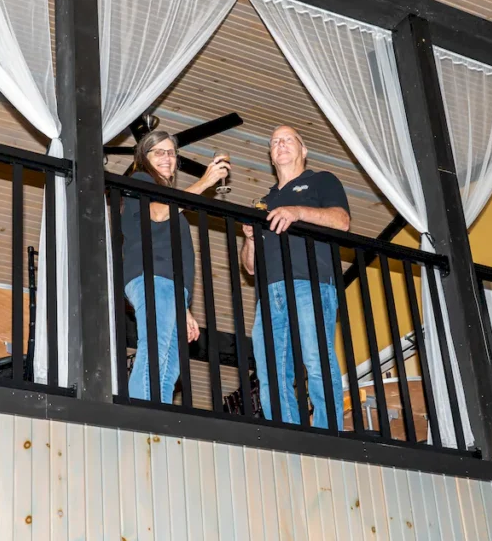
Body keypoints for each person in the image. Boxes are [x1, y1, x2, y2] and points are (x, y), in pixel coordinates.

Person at [241, 125, 349, 429]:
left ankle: (330, 433)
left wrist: (297, 212)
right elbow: (249, 268)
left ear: (303, 150)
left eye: (288, 139)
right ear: (271, 156)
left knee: (315, 361)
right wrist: (249, 239)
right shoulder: (263, 201)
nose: (281, 144)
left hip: (309, 284)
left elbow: (341, 221)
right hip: (270, 293)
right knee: (271, 371)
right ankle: (286, 433)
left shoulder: (321, 181)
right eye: (274, 141)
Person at [122, 130, 230, 403]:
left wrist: (184, 308)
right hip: (152, 277)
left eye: (171, 152)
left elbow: (169, 251)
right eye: (159, 152)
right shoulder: (141, 180)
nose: (167, 158)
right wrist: (205, 181)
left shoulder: (167, 195)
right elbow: (157, 214)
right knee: (156, 350)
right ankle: (144, 416)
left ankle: (160, 413)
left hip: (168, 284)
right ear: (143, 158)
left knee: (170, 363)